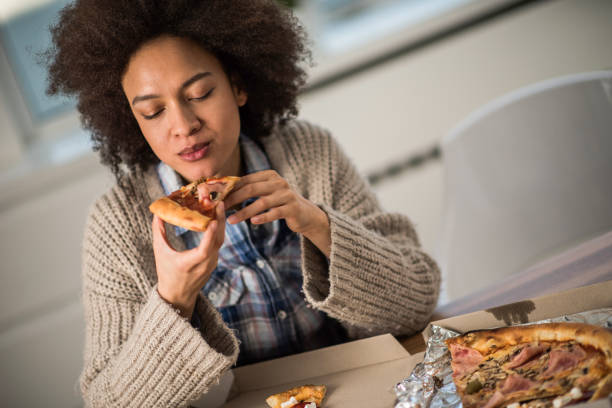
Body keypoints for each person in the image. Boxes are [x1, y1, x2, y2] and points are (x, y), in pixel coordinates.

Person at [46, 0, 441, 406]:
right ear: (132, 121)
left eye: (200, 93)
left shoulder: (308, 153)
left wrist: (319, 225)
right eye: (153, 111)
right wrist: (174, 299)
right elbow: (108, 402)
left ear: (238, 86)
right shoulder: (116, 222)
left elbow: (415, 305)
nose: (183, 126)